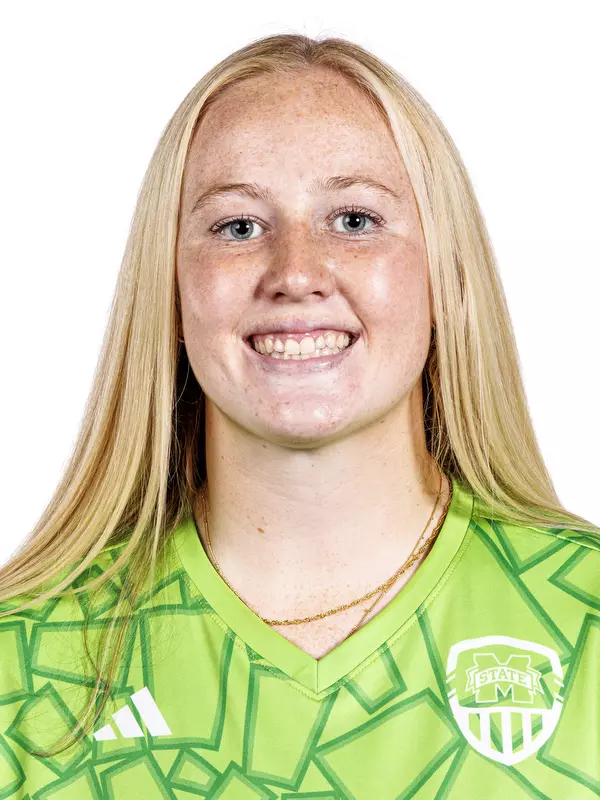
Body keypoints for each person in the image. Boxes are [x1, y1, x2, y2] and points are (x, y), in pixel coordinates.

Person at [0, 33, 598, 799]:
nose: (296, 273)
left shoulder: (586, 620)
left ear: (444, 273)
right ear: (173, 286)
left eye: (353, 220)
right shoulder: (23, 665)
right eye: (237, 227)